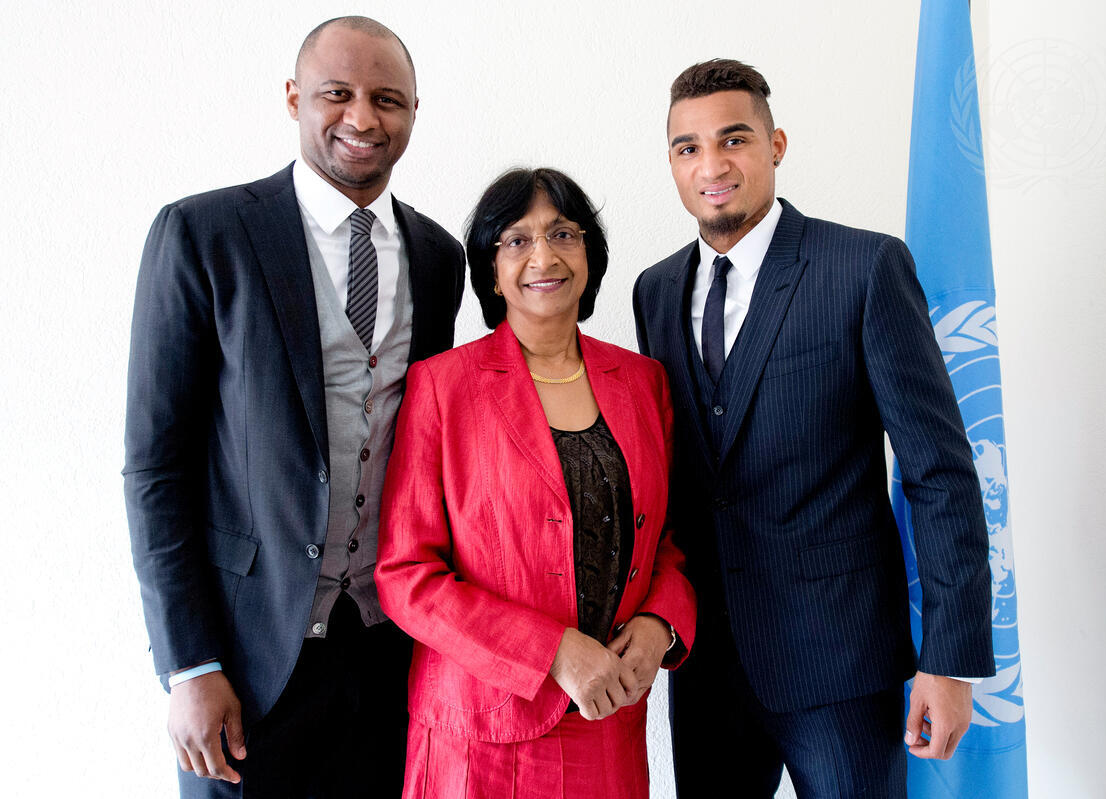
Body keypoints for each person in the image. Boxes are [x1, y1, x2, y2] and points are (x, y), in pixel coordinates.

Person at [632, 59, 995, 798]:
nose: (712, 165)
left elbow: (938, 470)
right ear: (671, 163)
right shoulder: (655, 290)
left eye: (734, 139)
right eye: (688, 147)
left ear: (776, 145)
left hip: (842, 664)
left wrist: (949, 660)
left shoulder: (864, 267)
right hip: (706, 665)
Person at [123, 17, 465, 798]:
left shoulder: (438, 256)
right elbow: (155, 466)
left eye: (388, 99)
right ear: (293, 98)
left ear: (414, 111)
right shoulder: (204, 233)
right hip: (244, 662)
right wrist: (190, 664)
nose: (362, 118)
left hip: (388, 656)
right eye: (336, 94)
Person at [375, 167, 696, 799]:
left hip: (607, 725)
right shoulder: (442, 387)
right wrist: (552, 652)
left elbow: (669, 538)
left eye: (563, 234)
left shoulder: (643, 382)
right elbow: (406, 576)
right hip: (480, 735)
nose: (544, 256)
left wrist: (662, 623)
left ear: (589, 255)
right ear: (491, 271)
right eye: (517, 240)